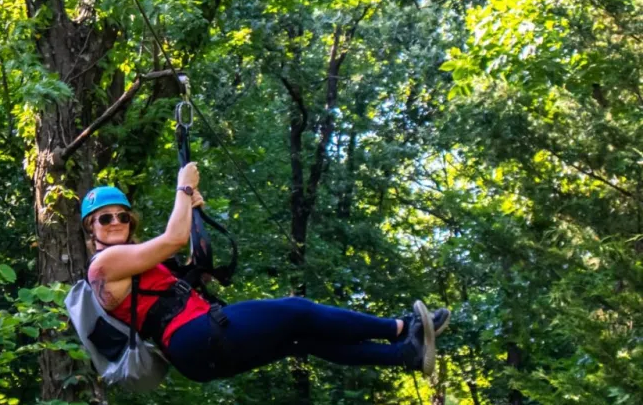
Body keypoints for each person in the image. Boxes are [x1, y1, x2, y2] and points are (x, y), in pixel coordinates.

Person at [82, 164, 450, 384]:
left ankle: (405, 356)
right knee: (296, 309)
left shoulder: (137, 262)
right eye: (105, 218)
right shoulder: (104, 265)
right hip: (193, 338)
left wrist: (195, 222)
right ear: (90, 228)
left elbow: (189, 268)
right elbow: (173, 239)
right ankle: (401, 328)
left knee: (301, 339)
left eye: (122, 216)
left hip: (197, 349)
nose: (115, 222)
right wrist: (184, 187)